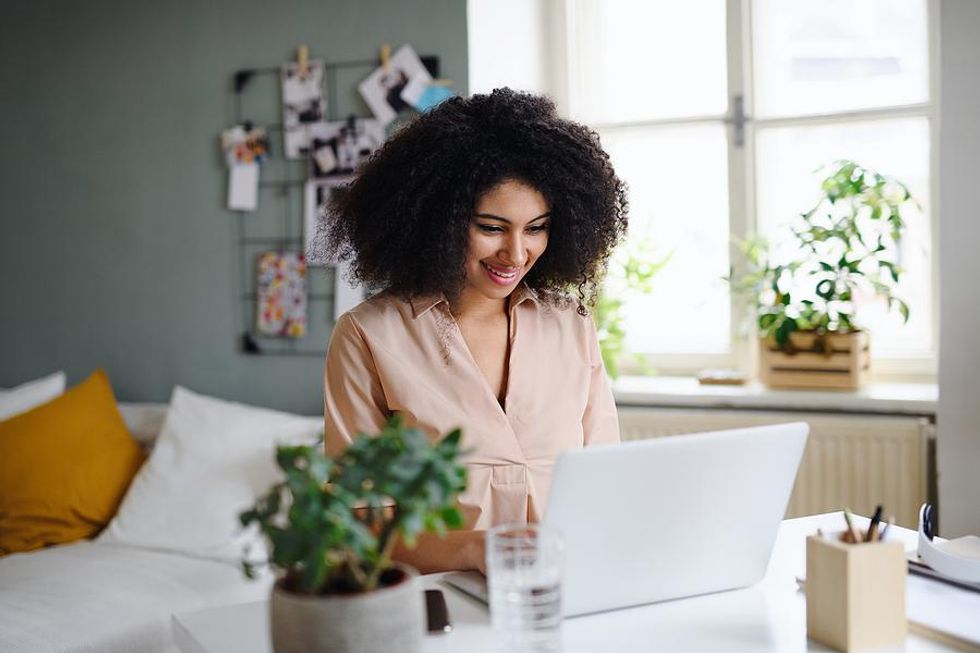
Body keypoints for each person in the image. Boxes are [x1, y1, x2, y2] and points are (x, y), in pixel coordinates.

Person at [321, 88, 627, 573]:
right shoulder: (368, 336)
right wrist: (479, 549)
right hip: (441, 599)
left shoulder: (571, 325)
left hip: (570, 590)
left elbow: (608, 485)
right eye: (491, 227)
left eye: (536, 228)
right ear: (437, 221)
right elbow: (359, 524)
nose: (516, 253)